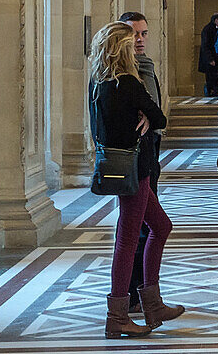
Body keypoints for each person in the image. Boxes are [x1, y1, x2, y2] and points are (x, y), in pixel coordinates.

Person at [88, 22, 182, 338]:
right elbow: (160, 119)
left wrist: (140, 116)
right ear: (123, 50)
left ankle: (152, 304)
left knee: (161, 226)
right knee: (127, 240)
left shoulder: (99, 83)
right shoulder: (129, 83)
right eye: (131, 43)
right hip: (136, 170)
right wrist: (145, 116)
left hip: (117, 166)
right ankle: (117, 317)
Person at [119, 11, 166, 315]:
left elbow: (157, 113)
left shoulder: (145, 66)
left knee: (148, 227)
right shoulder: (123, 74)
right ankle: (134, 296)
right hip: (135, 157)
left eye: (144, 33)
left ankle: (140, 296)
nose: (139, 39)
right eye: (133, 33)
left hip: (150, 153)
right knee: (140, 229)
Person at [198, 13, 218, 96]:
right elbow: (205, 46)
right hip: (210, 59)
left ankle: (216, 93)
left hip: (217, 58)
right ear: (216, 20)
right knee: (210, 79)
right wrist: (210, 59)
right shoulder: (207, 30)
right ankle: (210, 93)